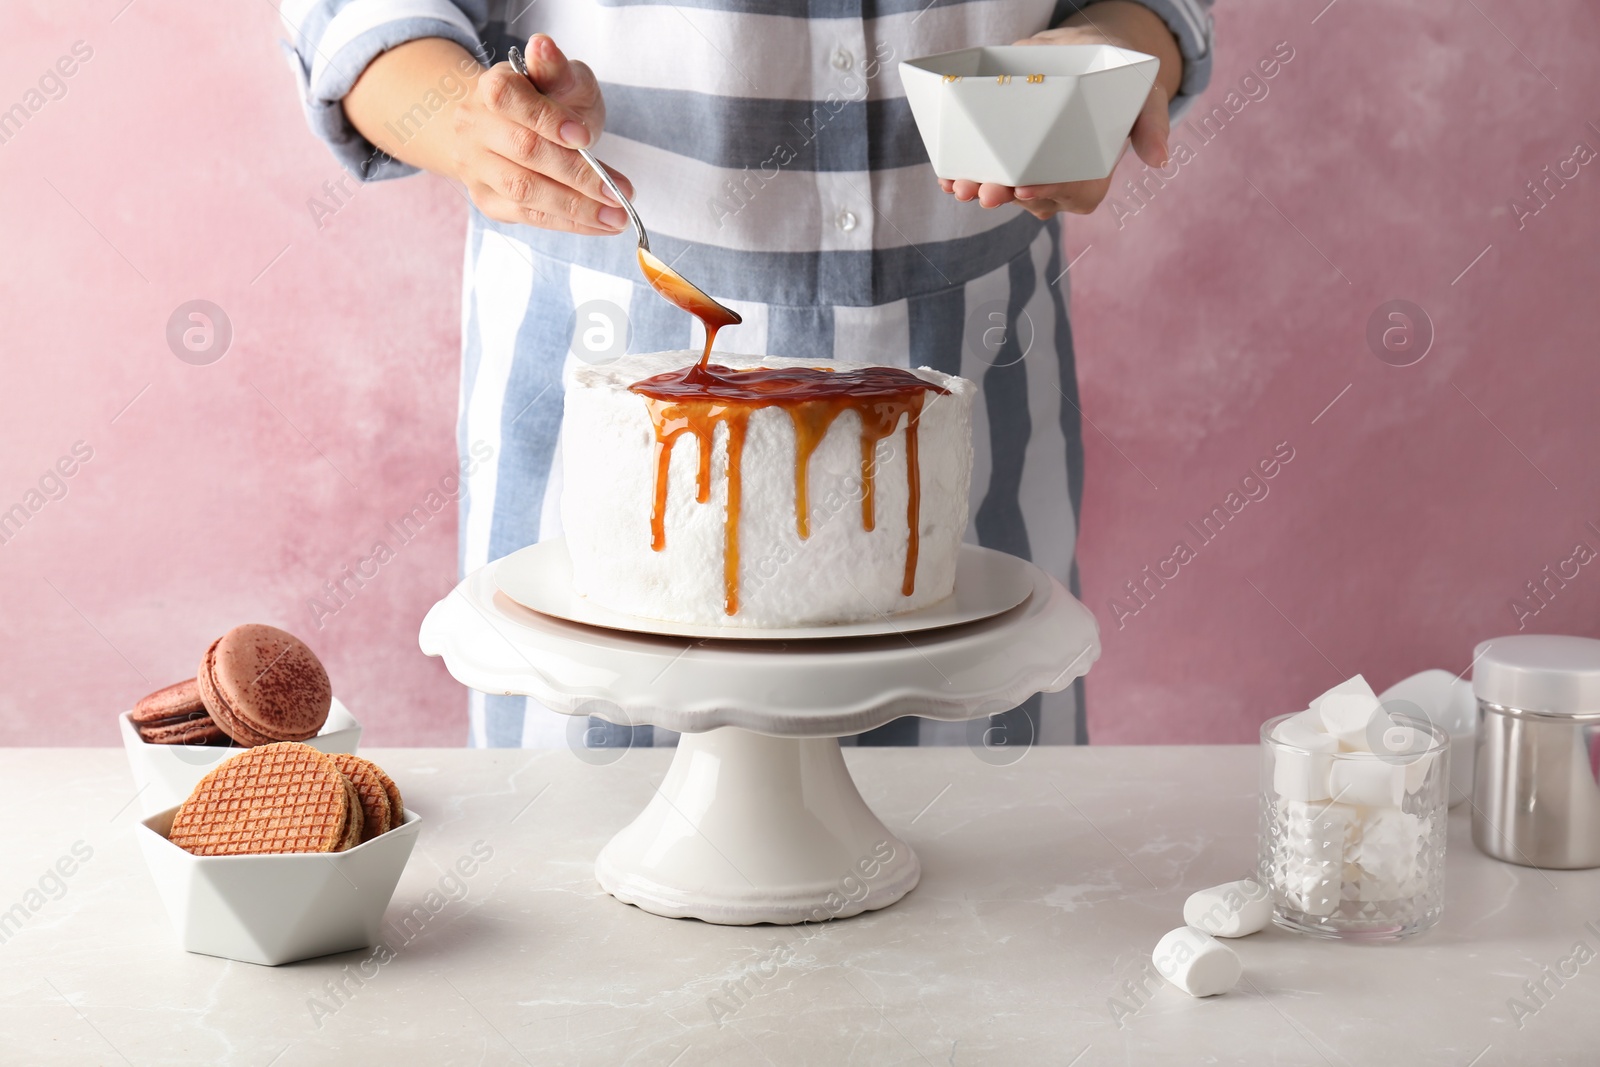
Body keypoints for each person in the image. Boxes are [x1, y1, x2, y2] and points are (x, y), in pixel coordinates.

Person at [281, 0, 1214, 749]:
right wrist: (467, 123)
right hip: (617, 375)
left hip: (972, 382)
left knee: (978, 892)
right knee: (612, 915)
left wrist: (1108, 53)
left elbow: (1149, 12)